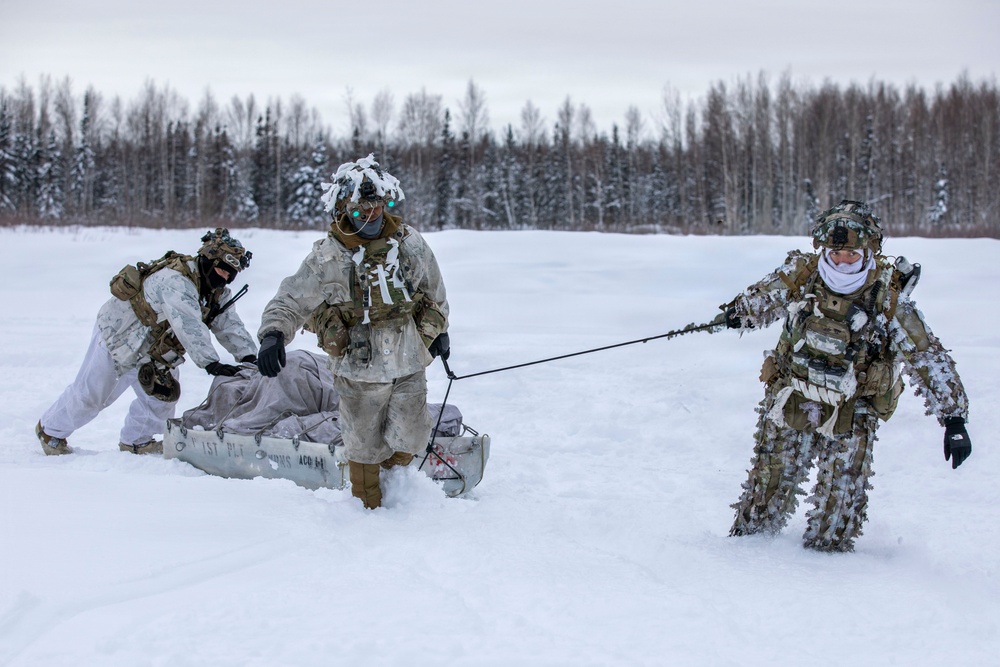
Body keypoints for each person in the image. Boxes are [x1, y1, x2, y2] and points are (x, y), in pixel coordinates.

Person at [718, 200, 972, 552]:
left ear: (868, 251)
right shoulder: (803, 274)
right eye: (835, 253)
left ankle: (832, 583)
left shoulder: (888, 297)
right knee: (764, 498)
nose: (841, 260)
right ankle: (742, 563)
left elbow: (926, 355)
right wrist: (736, 314)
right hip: (792, 399)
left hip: (853, 414)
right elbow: (761, 301)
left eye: (851, 254)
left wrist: (954, 418)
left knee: (836, 520)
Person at [255, 154, 450, 510]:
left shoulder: (409, 243)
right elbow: (290, 299)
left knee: (413, 433)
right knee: (363, 443)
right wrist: (273, 334)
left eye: (379, 207)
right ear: (345, 208)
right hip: (359, 365)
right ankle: (368, 509)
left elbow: (434, 290)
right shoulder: (329, 256)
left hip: (407, 358)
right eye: (363, 211)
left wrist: (439, 332)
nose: (372, 216)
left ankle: (398, 487)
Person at [36, 228, 258, 456]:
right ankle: (50, 431)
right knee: (92, 395)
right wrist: (211, 362)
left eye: (231, 274)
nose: (225, 278)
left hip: (157, 348)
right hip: (120, 335)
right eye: (221, 269)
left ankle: (136, 442)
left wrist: (250, 357)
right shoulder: (175, 280)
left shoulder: (217, 292)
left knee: (162, 397)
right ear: (206, 260)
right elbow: (189, 324)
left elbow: (230, 325)